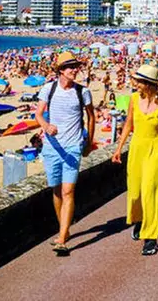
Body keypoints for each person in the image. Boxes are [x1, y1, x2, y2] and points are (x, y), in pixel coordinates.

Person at [34, 52, 95, 256]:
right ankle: (65, 229)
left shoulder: (82, 92)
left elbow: (91, 117)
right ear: (60, 70)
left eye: (76, 66)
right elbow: (38, 114)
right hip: (52, 147)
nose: (75, 70)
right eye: (70, 67)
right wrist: (46, 125)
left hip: (73, 147)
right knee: (57, 191)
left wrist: (89, 142)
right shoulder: (48, 89)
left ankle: (61, 239)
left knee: (69, 191)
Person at [111, 64, 158, 256]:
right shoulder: (133, 99)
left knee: (151, 193)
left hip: (155, 148)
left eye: (138, 81)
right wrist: (118, 148)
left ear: (148, 84)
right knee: (135, 193)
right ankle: (139, 220)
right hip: (137, 148)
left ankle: (150, 238)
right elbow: (128, 124)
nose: (135, 84)